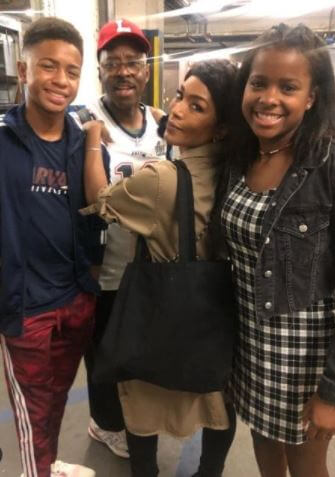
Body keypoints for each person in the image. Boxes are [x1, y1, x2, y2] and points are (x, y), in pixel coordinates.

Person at [81, 59, 238, 477]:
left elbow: (100, 197)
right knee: (219, 403)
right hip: (219, 315)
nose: (179, 109)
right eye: (181, 95)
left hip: (163, 313)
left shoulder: (162, 179)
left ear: (221, 126)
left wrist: (94, 139)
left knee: (142, 403)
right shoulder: (239, 173)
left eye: (197, 106)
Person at [221, 23, 335, 477]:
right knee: (262, 446)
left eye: (288, 87)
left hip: (305, 354)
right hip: (248, 343)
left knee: (306, 464)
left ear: (312, 97)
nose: (269, 98)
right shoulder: (240, 156)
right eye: (259, 83)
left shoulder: (334, 166)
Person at [0, 17, 108, 477]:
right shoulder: (3, 140)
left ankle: (45, 464)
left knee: (57, 399)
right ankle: (36, 469)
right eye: (48, 66)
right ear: (23, 71)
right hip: (25, 307)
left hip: (76, 298)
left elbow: (99, 210)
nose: (60, 81)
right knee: (31, 415)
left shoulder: (84, 143)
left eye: (71, 70)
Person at [82, 18, 166, 459]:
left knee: (139, 351)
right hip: (104, 270)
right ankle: (105, 424)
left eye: (132, 62)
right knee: (103, 354)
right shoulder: (84, 123)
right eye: (112, 63)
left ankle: (134, 417)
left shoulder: (161, 124)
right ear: (100, 71)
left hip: (149, 267)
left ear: (146, 71)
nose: (123, 71)